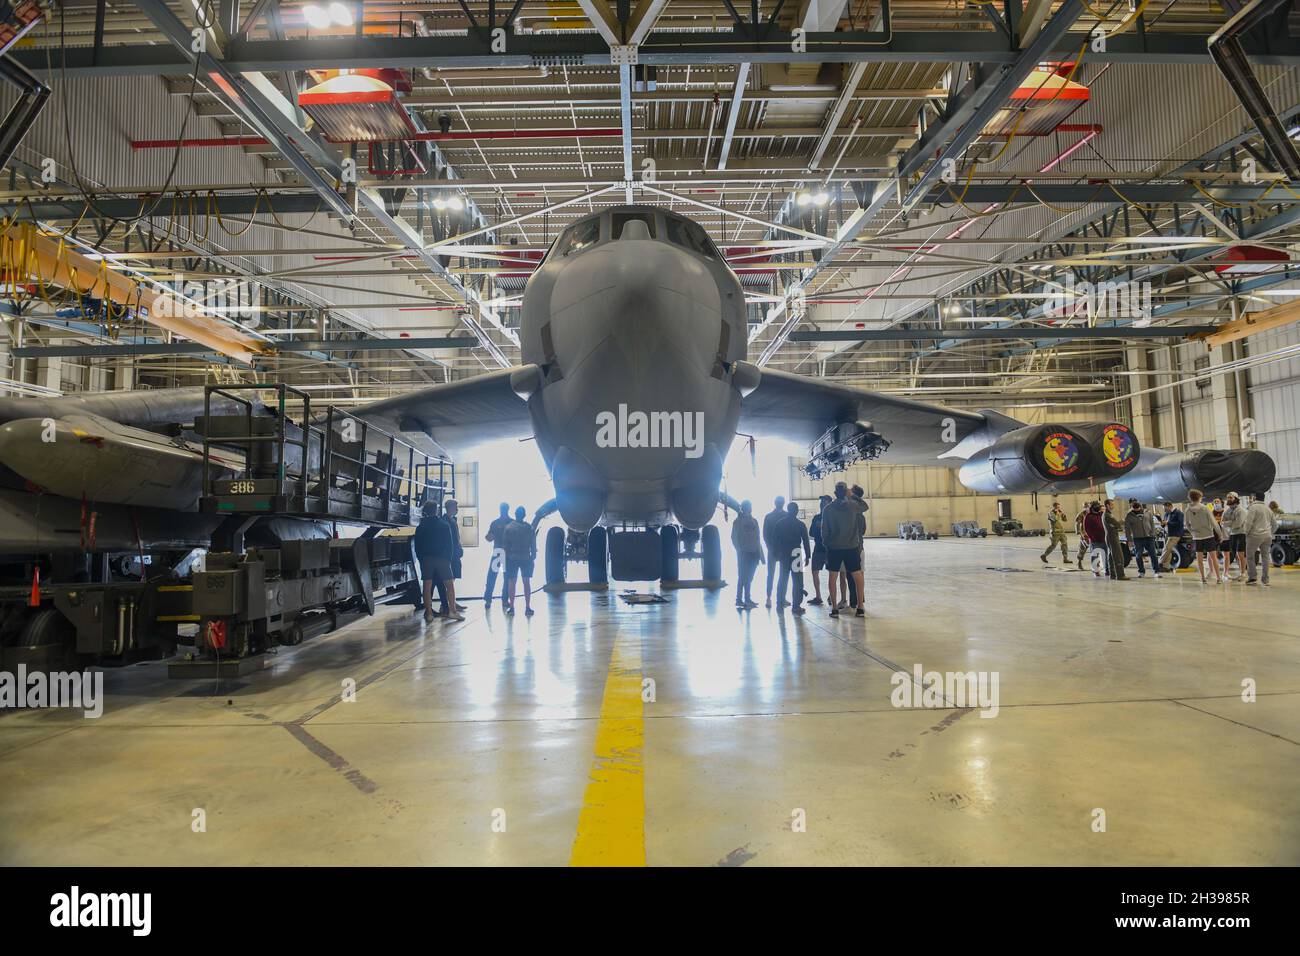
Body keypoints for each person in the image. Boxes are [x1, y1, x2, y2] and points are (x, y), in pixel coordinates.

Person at [821, 481, 866, 617]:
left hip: (834, 547)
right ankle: (860, 607)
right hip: (851, 547)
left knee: (832, 577)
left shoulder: (827, 509)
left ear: (835, 493)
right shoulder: (852, 506)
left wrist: (827, 544)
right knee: (857, 575)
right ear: (846, 492)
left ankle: (834, 608)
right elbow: (865, 506)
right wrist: (853, 496)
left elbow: (824, 530)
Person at [414, 500, 462, 622]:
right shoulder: (443, 524)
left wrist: (422, 560)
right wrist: (448, 559)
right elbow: (449, 544)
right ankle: (452, 611)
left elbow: (417, 546)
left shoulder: (421, 526)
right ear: (436, 510)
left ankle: (429, 613)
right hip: (442, 559)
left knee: (427, 586)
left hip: (426, 560)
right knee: (449, 586)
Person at [771, 501, 811, 614]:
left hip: (784, 553)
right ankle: (796, 606)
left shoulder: (780, 523)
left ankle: (779, 604)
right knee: (798, 581)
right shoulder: (800, 524)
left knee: (783, 579)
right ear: (797, 511)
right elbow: (806, 541)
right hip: (796, 553)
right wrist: (807, 556)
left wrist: (776, 554)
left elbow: (775, 540)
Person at [502, 506, 537, 615]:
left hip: (512, 558)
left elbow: (505, 546)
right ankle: (527, 607)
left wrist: (505, 559)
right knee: (526, 582)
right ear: (524, 515)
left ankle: (512, 607)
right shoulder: (529, 528)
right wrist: (533, 556)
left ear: (515, 514)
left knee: (512, 582)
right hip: (526, 557)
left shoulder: (508, 528)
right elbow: (533, 544)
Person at [1185, 489, 1223, 584]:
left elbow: (1187, 525)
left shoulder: (1187, 510)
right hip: (1208, 536)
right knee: (1214, 558)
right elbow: (1214, 523)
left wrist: (1193, 533)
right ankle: (1218, 578)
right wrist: (1220, 534)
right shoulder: (1204, 508)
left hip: (1197, 537)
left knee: (1199, 559)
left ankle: (1203, 578)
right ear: (1199, 498)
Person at [730, 500, 763, 609]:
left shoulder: (754, 521)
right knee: (742, 577)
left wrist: (761, 555)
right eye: (749, 506)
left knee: (749, 578)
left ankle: (747, 599)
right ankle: (739, 599)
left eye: (750, 506)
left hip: (754, 553)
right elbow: (734, 537)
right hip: (744, 553)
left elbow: (758, 539)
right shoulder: (737, 522)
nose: (750, 508)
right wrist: (739, 550)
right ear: (744, 508)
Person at [438, 498, 466, 615]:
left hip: (455, 553)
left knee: (453, 577)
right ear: (450, 508)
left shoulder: (453, 520)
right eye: (455, 507)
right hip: (449, 554)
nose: (457, 509)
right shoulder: (444, 521)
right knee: (448, 580)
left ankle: (452, 601)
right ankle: (446, 604)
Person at [1243, 491, 1277, 586]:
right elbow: (1275, 525)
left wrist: (1245, 533)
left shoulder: (1253, 507)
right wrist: (1269, 532)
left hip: (1254, 536)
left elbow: (1249, 523)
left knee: (1250, 557)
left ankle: (1252, 578)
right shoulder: (1268, 509)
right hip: (1267, 537)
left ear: (1254, 498)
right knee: (1265, 557)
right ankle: (1265, 580)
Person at [482, 502, 512, 608]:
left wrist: (491, 536)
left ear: (500, 509)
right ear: (508, 509)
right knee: (507, 577)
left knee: (492, 576)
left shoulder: (495, 523)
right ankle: (504, 600)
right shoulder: (512, 522)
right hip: (508, 554)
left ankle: (488, 599)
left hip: (498, 552)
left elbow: (488, 537)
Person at [1123, 499, 1160, 578]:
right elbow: (1127, 529)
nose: (1136, 509)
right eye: (1134, 508)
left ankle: (1156, 571)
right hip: (1137, 538)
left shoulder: (1147, 512)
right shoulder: (1129, 515)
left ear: (1140, 506)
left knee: (1153, 555)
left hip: (1149, 537)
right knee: (1138, 556)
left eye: (1137, 508)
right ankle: (1141, 571)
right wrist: (1129, 540)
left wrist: (1153, 534)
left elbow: (1152, 523)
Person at [806, 494, 832, 605]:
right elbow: (811, 533)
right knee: (814, 572)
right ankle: (818, 596)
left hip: (830, 549)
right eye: (821, 503)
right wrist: (817, 527)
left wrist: (822, 526)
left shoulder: (833, 517)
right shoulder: (816, 517)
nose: (822, 505)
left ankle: (832, 595)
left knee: (832, 573)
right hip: (818, 548)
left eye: (824, 502)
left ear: (829, 504)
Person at [761, 496, 785, 608]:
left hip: (777, 550)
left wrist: (770, 547)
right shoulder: (772, 517)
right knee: (775, 575)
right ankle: (771, 597)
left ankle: (777, 598)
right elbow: (765, 534)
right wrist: (770, 547)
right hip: (776, 550)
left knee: (777, 575)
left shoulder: (769, 517)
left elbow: (765, 535)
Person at [1221, 492, 1248, 580]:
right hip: (1232, 534)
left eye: (1231, 497)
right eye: (1228, 497)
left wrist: (1228, 523)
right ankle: (1235, 572)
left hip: (1241, 534)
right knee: (1234, 554)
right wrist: (1231, 522)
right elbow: (1222, 523)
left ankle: (1243, 573)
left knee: (1240, 554)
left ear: (1236, 498)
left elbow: (1238, 523)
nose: (1229, 499)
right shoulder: (1227, 511)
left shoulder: (1241, 510)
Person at [1102, 499, 1128, 581]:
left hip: (1110, 536)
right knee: (1118, 556)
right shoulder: (1107, 515)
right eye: (1112, 504)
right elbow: (1117, 524)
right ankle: (1120, 575)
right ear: (1107, 505)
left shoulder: (1107, 514)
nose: (1113, 506)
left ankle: (1113, 574)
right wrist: (1123, 521)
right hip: (1112, 537)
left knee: (1111, 556)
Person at [1158, 501, 1185, 572]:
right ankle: (1166, 567)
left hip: (1175, 534)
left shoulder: (1178, 513)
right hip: (1167, 534)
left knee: (1166, 549)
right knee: (1168, 551)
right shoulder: (1166, 514)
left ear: (1170, 506)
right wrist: (1162, 523)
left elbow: (1180, 524)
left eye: (1165, 509)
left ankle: (1159, 563)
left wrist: (1168, 523)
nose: (1164, 510)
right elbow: (1164, 523)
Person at [1083, 501, 1107, 578]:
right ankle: (1096, 571)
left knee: (1105, 555)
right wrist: (1092, 538)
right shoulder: (1088, 516)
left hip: (1104, 538)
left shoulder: (1102, 514)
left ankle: (1107, 570)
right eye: (1097, 506)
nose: (1099, 507)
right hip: (1095, 540)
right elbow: (1087, 528)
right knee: (1095, 556)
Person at [1074, 502, 1093, 570]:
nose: (1087, 507)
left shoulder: (1092, 513)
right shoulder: (1081, 514)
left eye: (1088, 506)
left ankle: (1096, 562)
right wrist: (1079, 532)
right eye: (1086, 506)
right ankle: (1079, 562)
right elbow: (1077, 523)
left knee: (1095, 547)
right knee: (1082, 548)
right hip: (1084, 533)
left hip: (1093, 533)